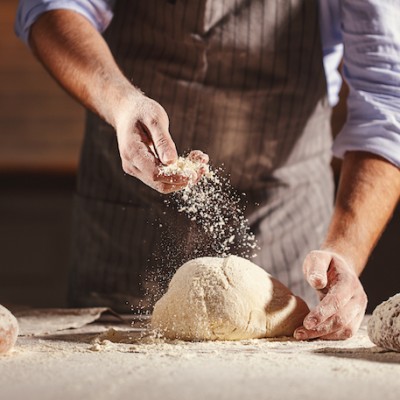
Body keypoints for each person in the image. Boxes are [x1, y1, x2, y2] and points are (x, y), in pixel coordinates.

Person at [15, 0, 400, 340]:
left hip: (285, 218)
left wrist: (345, 251)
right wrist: (121, 103)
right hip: (128, 213)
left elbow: (386, 100)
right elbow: (52, 7)